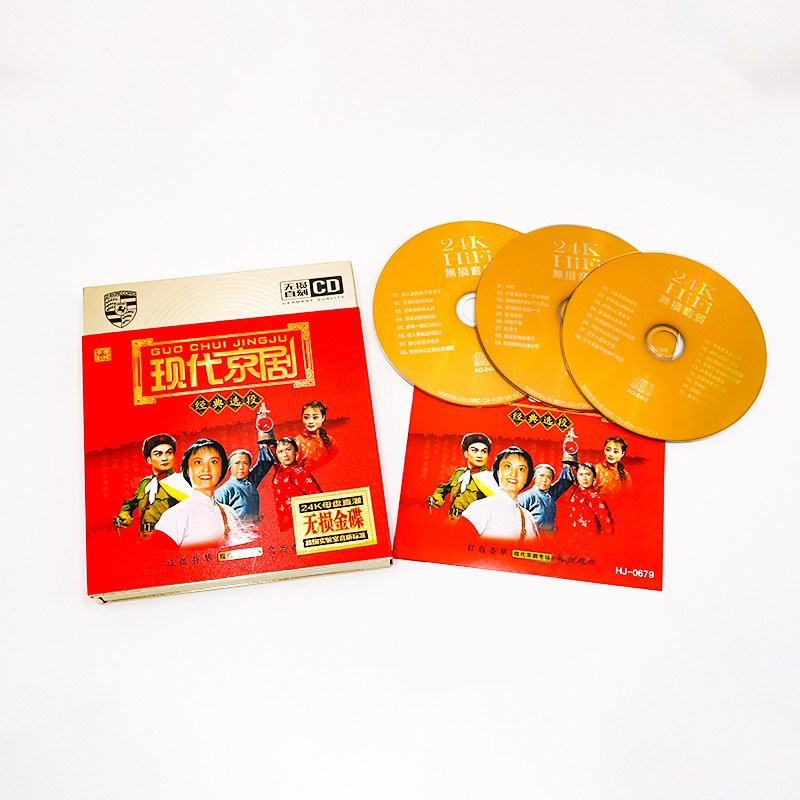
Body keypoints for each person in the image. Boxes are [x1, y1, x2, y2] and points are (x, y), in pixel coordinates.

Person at [155, 438, 244, 548]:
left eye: (213, 462)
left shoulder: (229, 513)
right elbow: (158, 557)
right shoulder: (175, 515)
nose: (206, 469)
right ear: (187, 471)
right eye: (198, 462)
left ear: (221, 470)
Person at [114, 433, 191, 538]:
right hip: (143, 538)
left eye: (169, 453)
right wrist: (124, 515)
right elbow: (130, 504)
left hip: (168, 538)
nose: (165, 458)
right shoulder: (145, 483)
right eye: (158, 454)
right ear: (149, 459)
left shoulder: (182, 481)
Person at [214, 406, 276, 524]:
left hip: (255, 530)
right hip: (236, 532)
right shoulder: (224, 491)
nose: (241, 467)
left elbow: (265, 461)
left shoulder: (251, 481)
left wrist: (263, 427)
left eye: (245, 463)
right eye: (237, 463)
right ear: (230, 467)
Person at [461, 446, 538, 540]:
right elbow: (456, 544)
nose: (514, 474)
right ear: (497, 472)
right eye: (507, 466)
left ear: (527, 477)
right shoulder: (481, 508)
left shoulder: (528, 517)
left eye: (521, 469)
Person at [428, 433, 498, 518]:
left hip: (471, 522)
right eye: (474, 450)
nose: (479, 455)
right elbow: (444, 488)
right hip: (451, 519)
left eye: (484, 451)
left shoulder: (489, 478)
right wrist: (437, 498)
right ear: (466, 453)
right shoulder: (459, 473)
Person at [270, 437, 323, 530]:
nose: (285, 454)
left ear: (296, 452)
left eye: (288, 449)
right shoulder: (279, 471)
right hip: (284, 523)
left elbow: (319, 499)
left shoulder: (302, 473)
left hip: (302, 524)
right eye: (280, 451)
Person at [561, 463, 614, 536]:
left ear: (594, 477)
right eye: (581, 474)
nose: (584, 478)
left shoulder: (596, 498)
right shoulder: (574, 493)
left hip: (590, 539)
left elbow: (607, 526)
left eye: (588, 474)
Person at [295, 400, 339, 472]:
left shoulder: (331, 442)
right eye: (306, 417)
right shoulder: (298, 442)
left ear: (323, 418)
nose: (310, 422)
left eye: (315, 417)